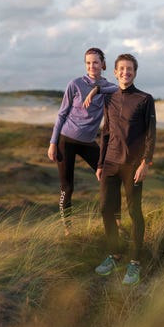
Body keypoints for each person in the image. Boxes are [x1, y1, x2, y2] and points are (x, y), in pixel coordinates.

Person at [95, 53, 156, 285]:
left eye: (129, 69)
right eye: (121, 69)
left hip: (133, 165)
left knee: (134, 212)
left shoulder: (145, 99)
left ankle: (135, 263)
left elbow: (151, 134)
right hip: (110, 163)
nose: (125, 72)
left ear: (135, 72)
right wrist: (100, 163)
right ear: (115, 72)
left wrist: (145, 162)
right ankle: (114, 255)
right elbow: (106, 132)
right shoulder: (109, 98)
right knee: (105, 209)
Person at [48, 47, 121, 236]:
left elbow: (119, 89)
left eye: (95, 62)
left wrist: (96, 89)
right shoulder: (75, 84)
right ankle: (68, 229)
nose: (91, 66)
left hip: (88, 142)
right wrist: (53, 142)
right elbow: (62, 113)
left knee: (110, 175)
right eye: (88, 63)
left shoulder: (106, 88)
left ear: (103, 64)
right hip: (67, 140)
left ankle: (117, 220)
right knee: (67, 186)